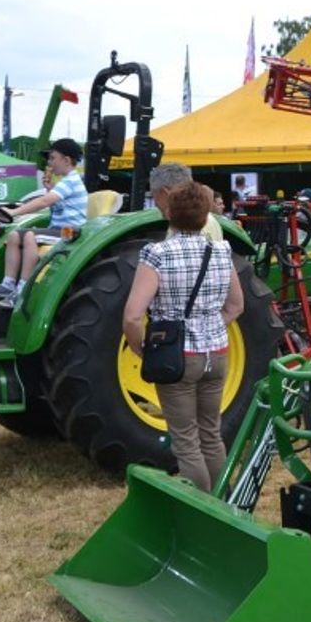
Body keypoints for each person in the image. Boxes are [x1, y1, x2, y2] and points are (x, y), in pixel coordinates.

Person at [123, 182, 244, 492]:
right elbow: (236, 305)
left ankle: (203, 511)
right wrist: (210, 325)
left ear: (168, 214)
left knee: (186, 441)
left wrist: (144, 350)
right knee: (211, 434)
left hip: (177, 357)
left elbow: (133, 316)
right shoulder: (221, 250)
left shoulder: (156, 254)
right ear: (206, 217)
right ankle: (223, 504)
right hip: (216, 353)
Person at [0, 138, 88, 308]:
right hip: (57, 230)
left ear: (66, 160)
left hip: (70, 233)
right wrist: (49, 187)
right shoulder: (65, 183)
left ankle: (23, 290)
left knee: (30, 236)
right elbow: (57, 202)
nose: (49, 163)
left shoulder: (71, 181)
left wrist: (14, 212)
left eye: (52, 158)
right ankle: (8, 284)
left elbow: (45, 202)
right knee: (15, 235)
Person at [149, 162, 224, 242]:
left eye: (154, 195)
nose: (156, 204)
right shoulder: (208, 221)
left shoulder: (186, 227)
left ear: (164, 193)